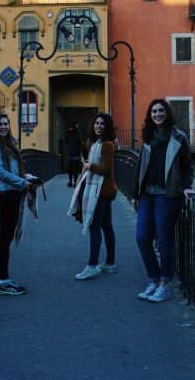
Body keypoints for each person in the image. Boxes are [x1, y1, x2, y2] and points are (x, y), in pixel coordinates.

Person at [134, 98, 195, 303]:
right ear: (150, 116)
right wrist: (136, 193)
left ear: (167, 113)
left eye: (160, 111)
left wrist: (187, 186)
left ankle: (165, 283)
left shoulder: (179, 137)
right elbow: (141, 166)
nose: (157, 114)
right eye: (153, 112)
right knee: (142, 237)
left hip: (167, 195)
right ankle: (154, 278)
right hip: (147, 195)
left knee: (163, 240)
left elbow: (188, 165)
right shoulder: (148, 137)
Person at [0, 112, 36, 296]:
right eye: (0, 124)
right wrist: (22, 183)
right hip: (4, 194)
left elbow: (11, 169)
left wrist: (25, 177)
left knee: (4, 237)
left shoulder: (7, 144)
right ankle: (4, 281)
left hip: (10, 193)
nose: (4, 127)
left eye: (6, 124)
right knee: (5, 238)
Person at [72, 113, 118, 280]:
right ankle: (110, 263)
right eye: (96, 123)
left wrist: (90, 165)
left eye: (102, 124)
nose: (98, 126)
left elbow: (106, 170)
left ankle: (92, 265)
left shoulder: (106, 145)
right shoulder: (97, 144)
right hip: (104, 190)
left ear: (107, 127)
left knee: (94, 227)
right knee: (106, 226)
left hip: (100, 191)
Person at [65, 121, 83, 187]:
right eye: (77, 125)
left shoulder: (68, 133)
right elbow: (80, 143)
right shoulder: (77, 133)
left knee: (70, 169)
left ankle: (70, 182)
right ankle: (75, 182)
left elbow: (66, 141)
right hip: (76, 154)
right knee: (76, 170)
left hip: (70, 154)